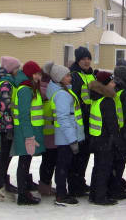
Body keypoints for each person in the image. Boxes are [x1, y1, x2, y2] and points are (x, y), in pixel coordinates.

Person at [44, 62, 85, 205]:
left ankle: (63, 193)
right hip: (67, 138)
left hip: (68, 136)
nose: (70, 77)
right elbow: (63, 118)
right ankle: (61, 195)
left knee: (64, 165)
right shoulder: (62, 94)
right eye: (67, 75)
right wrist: (72, 140)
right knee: (63, 166)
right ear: (59, 78)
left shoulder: (65, 90)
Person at [13, 61, 46, 205]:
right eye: (37, 73)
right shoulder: (25, 90)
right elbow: (24, 115)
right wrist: (29, 136)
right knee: (24, 162)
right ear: (30, 74)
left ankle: (24, 192)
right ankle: (22, 195)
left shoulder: (31, 87)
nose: (39, 77)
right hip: (25, 133)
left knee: (26, 162)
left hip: (30, 131)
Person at [88, 71, 121, 205]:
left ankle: (94, 194)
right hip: (105, 140)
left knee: (98, 167)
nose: (114, 84)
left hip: (96, 139)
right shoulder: (107, 101)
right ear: (105, 84)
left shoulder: (96, 98)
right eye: (111, 82)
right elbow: (112, 124)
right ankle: (101, 197)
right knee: (104, 169)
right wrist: (117, 139)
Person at [0, 56, 21, 201]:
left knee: (6, 154)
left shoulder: (10, 82)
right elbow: (6, 105)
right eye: (17, 68)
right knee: (4, 154)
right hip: (6, 125)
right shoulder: (7, 84)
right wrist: (13, 122)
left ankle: (3, 181)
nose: (18, 70)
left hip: (7, 124)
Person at [69, 46, 96, 196]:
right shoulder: (74, 75)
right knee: (77, 155)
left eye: (88, 58)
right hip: (79, 121)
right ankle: (74, 185)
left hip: (90, 120)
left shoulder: (91, 75)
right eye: (83, 59)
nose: (86, 61)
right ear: (78, 60)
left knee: (85, 154)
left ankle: (81, 181)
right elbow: (75, 98)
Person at [108, 64, 126, 199]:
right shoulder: (125, 93)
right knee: (120, 160)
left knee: (114, 160)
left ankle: (113, 183)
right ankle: (115, 187)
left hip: (114, 130)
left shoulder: (113, 89)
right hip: (124, 130)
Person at [37, 68, 57, 197]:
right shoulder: (50, 91)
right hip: (51, 132)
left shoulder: (38, 89)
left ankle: (44, 184)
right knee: (50, 161)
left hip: (42, 131)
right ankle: (45, 185)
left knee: (46, 161)